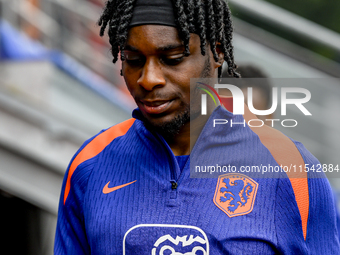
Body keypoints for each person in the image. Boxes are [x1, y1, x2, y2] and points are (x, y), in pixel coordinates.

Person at [54, 0, 340, 254]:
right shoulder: (89, 166)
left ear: (216, 54)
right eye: (134, 60)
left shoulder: (293, 171)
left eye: (173, 58)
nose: (148, 78)